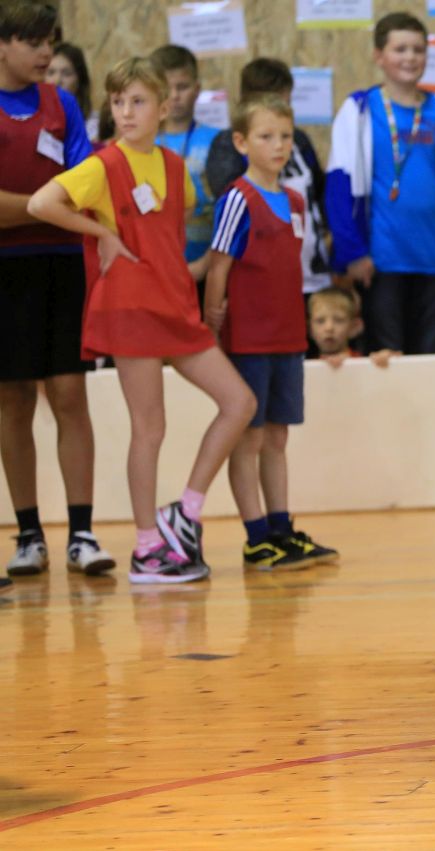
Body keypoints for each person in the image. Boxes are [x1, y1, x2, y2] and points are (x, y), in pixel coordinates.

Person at [27, 57, 257, 583]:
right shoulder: (102, 165)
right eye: (118, 102)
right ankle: (147, 547)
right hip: (130, 308)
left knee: (239, 402)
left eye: (137, 101)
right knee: (150, 428)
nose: (126, 112)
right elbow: (42, 203)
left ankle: (186, 512)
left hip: (174, 305)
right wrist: (103, 234)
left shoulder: (176, 168)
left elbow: (176, 227)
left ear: (163, 106)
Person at [0, 0, 111, 577]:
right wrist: (46, 205)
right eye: (34, 42)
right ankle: (28, 535)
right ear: (2, 45)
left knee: (70, 394)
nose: (47, 52)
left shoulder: (61, 104)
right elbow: (56, 198)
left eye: (51, 41)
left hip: (64, 266)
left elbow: (83, 190)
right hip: (6, 271)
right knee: (14, 399)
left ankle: (82, 534)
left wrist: (31, 209)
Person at [205, 96, 338, 572]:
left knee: (277, 437)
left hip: (288, 338)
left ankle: (281, 528)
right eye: (266, 137)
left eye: (285, 137)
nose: (278, 145)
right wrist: (212, 326)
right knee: (249, 439)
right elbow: (218, 268)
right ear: (241, 143)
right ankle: (256, 536)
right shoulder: (237, 198)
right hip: (248, 340)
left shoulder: (297, 201)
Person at [326, 12, 435, 355]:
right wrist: (353, 252)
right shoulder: (359, 110)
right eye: (400, 49)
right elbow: (339, 187)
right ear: (379, 56)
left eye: (418, 49)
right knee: (386, 359)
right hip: (382, 260)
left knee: (427, 358)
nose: (410, 58)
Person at [207, 59, 332, 307]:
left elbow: (319, 191)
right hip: (259, 280)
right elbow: (235, 212)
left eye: (285, 102)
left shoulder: (299, 141)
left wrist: (329, 239)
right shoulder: (227, 146)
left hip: (311, 271)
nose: (279, 143)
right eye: (266, 136)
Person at [150, 45, 219, 264]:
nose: (174, 96)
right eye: (167, 88)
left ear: (197, 89)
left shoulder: (217, 140)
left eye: (182, 87)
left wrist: (205, 266)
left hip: (205, 260)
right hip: (155, 260)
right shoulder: (143, 141)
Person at [45, 41, 97, 142]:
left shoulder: (93, 125)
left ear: (80, 80)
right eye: (51, 73)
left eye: (66, 74)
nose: (57, 81)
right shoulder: (32, 119)